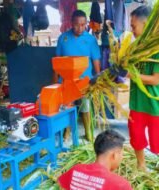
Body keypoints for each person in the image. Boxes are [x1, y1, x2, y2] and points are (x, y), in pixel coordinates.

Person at [128, 5, 159, 183]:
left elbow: (155, 80)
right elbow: (127, 68)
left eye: (133, 26)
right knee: (137, 138)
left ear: (146, 24)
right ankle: (141, 167)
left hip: (155, 105)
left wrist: (132, 75)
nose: (131, 30)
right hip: (137, 103)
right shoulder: (135, 47)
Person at [54, 10, 101, 141]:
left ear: (86, 24)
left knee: (85, 107)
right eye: (76, 24)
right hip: (66, 81)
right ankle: (67, 133)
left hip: (85, 81)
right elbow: (57, 62)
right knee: (67, 107)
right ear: (71, 23)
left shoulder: (91, 40)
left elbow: (96, 61)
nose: (79, 28)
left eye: (82, 24)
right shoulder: (63, 38)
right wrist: (55, 83)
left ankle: (88, 132)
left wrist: (98, 79)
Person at [58, 129, 133, 190]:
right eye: (121, 154)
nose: (122, 158)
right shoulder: (120, 185)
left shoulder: (76, 170)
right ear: (115, 155)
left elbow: (61, 185)